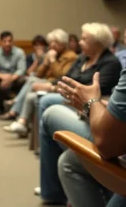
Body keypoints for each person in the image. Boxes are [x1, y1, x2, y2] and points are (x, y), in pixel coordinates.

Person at [35, 23, 122, 205]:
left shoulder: (111, 62)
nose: (80, 42)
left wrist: (90, 102)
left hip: (111, 137)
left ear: (97, 42)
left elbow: (95, 90)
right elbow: (67, 78)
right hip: (98, 111)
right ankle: (54, 189)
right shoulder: (82, 58)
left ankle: (53, 190)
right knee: (69, 159)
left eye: (84, 39)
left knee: (49, 109)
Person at [2, 29, 77, 134]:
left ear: (63, 43)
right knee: (31, 84)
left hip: (57, 86)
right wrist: (46, 63)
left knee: (31, 84)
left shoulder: (70, 56)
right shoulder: (54, 54)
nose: (52, 45)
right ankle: (20, 120)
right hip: (47, 82)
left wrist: (52, 60)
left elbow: (62, 76)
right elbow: (38, 74)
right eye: (51, 42)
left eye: (55, 42)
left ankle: (15, 108)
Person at [0, 30, 26, 115]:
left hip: (15, 79)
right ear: (1, 42)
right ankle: (0, 105)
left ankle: (17, 106)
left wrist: (10, 79)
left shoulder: (19, 52)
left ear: (13, 41)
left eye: (9, 41)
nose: (7, 44)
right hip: (0, 79)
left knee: (23, 80)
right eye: (4, 41)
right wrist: (3, 77)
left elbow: (21, 69)